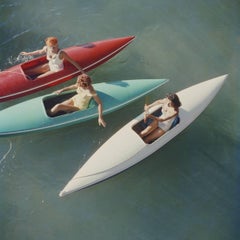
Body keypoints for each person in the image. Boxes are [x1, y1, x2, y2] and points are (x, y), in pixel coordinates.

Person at [20, 36, 85, 78]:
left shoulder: (61, 53)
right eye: (52, 47)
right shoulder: (46, 48)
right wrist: (28, 53)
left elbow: (72, 61)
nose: (55, 48)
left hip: (56, 70)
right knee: (30, 71)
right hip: (50, 65)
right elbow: (39, 51)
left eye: (56, 46)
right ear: (48, 46)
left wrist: (83, 72)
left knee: (38, 78)